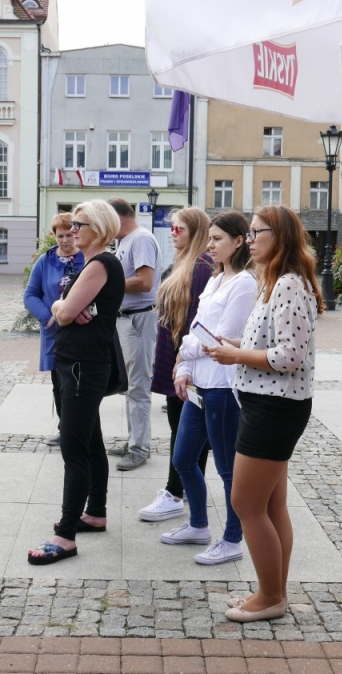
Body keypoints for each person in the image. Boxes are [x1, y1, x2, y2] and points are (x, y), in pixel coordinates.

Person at [206, 205, 324, 623]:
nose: (250, 239)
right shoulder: (273, 282)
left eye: (258, 232)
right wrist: (235, 343)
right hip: (268, 402)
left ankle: (272, 597)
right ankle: (271, 590)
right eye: (251, 232)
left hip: (275, 407)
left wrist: (236, 353)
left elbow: (289, 356)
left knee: (246, 503)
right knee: (271, 505)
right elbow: (273, 342)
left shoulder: (288, 284)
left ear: (282, 235)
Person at [28, 200, 125, 565]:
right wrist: (64, 307)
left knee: (74, 448)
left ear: (96, 228)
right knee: (91, 441)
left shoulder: (100, 263)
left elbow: (65, 310)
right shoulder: (94, 264)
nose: (73, 228)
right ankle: (95, 513)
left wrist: (60, 307)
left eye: (79, 223)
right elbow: (67, 308)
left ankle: (65, 535)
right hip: (78, 363)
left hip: (83, 366)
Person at [167, 211, 258, 564]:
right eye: (210, 238)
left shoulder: (245, 283)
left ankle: (233, 539)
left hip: (222, 387)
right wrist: (184, 368)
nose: (210, 245)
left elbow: (219, 342)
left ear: (238, 241)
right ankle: (198, 525)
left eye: (217, 239)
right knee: (183, 458)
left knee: (226, 468)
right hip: (200, 386)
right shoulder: (215, 280)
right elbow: (197, 328)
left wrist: (186, 349)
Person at [140, 208, 214, 522]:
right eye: (171, 228)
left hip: (189, 361)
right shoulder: (185, 261)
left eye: (179, 229)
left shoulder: (201, 266)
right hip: (179, 357)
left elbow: (199, 323)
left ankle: (175, 493)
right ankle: (181, 491)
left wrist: (186, 362)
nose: (172, 233)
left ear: (195, 231)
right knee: (183, 430)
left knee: (187, 433)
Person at [108, 197, 161, 471]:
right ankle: (134, 442)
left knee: (138, 386)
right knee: (131, 386)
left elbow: (145, 282)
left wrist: (107, 282)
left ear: (117, 217)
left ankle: (140, 448)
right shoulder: (126, 241)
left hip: (138, 319)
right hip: (127, 320)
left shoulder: (140, 239)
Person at [24, 213, 86, 447]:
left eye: (70, 234)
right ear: (54, 236)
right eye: (60, 235)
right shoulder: (45, 262)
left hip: (81, 331)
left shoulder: (86, 260)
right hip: (54, 333)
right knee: (59, 384)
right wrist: (48, 318)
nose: (65, 240)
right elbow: (30, 295)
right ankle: (65, 429)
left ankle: (80, 428)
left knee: (79, 383)